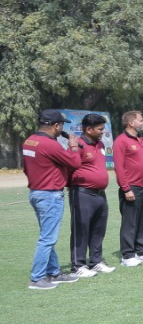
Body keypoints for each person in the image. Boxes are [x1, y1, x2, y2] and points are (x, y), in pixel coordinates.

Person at [22, 109, 85, 289]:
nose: (62, 129)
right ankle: (37, 278)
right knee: (47, 238)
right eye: (62, 125)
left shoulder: (29, 141)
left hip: (37, 192)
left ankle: (53, 273)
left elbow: (26, 168)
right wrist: (73, 145)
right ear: (56, 126)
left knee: (47, 235)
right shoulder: (49, 145)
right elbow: (75, 163)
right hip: (50, 194)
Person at [67, 113, 113, 277]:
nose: (103, 132)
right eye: (100, 129)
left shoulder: (100, 144)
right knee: (81, 229)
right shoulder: (77, 146)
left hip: (100, 194)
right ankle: (78, 265)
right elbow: (68, 167)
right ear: (88, 129)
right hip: (82, 193)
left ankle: (96, 262)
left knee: (98, 229)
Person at [115, 110, 143, 266]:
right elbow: (119, 167)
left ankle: (142, 251)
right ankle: (127, 255)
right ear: (131, 123)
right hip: (131, 187)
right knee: (130, 222)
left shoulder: (141, 139)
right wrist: (126, 189)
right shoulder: (121, 141)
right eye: (140, 120)